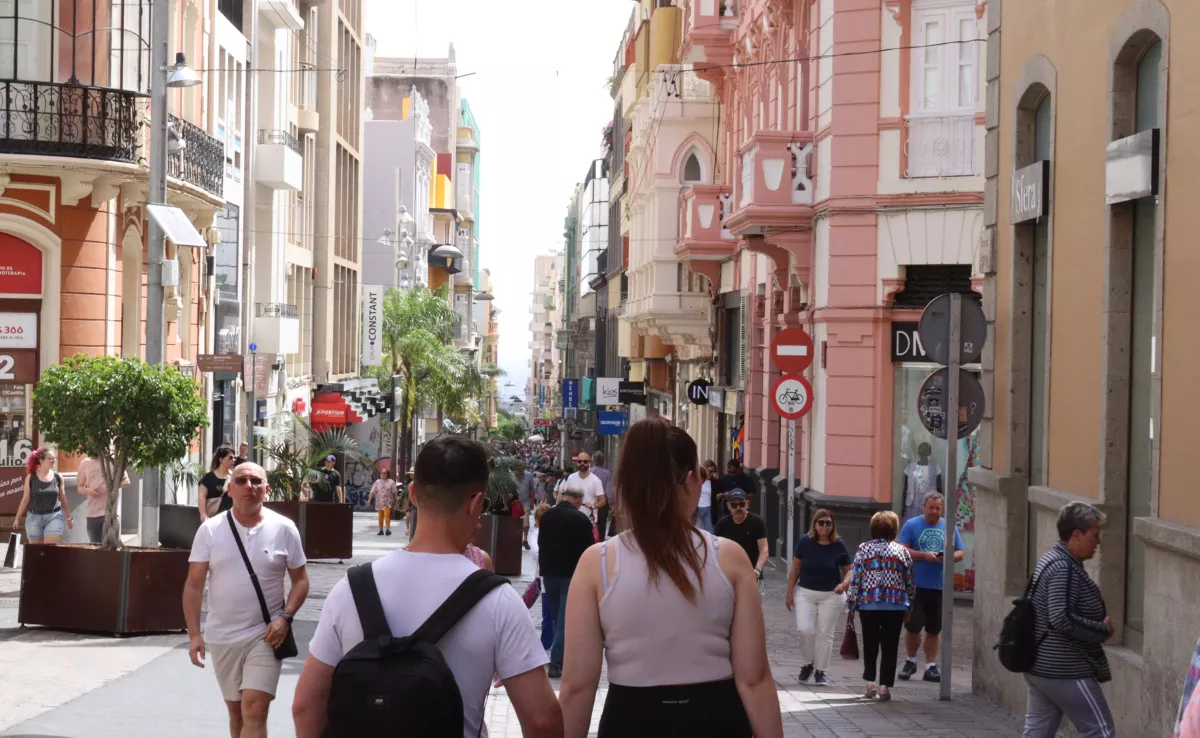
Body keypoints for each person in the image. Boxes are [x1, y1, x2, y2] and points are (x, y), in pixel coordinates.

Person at [292, 436, 561, 738]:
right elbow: (542, 721)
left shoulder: (351, 589)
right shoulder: (498, 601)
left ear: (412, 494)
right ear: (475, 502)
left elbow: (305, 706)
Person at [558, 417, 784, 738]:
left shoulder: (598, 564)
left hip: (630, 721)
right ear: (692, 481)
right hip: (718, 721)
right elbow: (755, 679)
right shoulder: (729, 558)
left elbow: (577, 688)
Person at [183, 462, 310, 738]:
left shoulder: (284, 528)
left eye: (255, 481)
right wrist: (194, 634)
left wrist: (285, 617)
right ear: (230, 489)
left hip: (265, 635)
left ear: (266, 489)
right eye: (241, 481)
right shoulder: (210, 530)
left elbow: (301, 581)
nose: (248, 486)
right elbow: (193, 586)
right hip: (223, 637)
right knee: (237, 714)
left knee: (254, 710)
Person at [1022, 501, 1115, 738]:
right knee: (1101, 731)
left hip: (1042, 667)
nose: (1098, 541)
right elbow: (1061, 619)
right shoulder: (1063, 568)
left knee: (1037, 732)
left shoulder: (1053, 560)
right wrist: (1101, 629)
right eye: (1095, 535)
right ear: (1077, 535)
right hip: (1065, 668)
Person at [844, 511, 915, 702]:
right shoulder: (902, 551)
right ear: (894, 530)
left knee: (870, 644)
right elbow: (909, 580)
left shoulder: (863, 549)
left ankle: (870, 683)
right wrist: (909, 606)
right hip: (896, 605)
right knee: (890, 646)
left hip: (869, 604)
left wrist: (850, 605)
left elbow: (856, 577)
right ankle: (884, 687)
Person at [897, 491, 964, 683]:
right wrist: (924, 556)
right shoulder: (912, 525)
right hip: (915, 585)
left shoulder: (948, 526)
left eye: (938, 508)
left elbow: (960, 552)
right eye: (931, 507)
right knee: (913, 626)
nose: (934, 511)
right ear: (924, 507)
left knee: (934, 629)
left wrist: (947, 556)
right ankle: (910, 661)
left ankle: (930, 666)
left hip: (939, 586)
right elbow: (901, 549)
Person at [784, 509, 852, 685]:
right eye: (821, 522)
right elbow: (795, 568)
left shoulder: (839, 545)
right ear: (814, 524)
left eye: (828, 523)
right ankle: (809, 663)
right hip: (806, 593)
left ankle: (820, 670)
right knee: (804, 630)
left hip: (832, 595)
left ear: (833, 525)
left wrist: (844, 585)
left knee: (825, 634)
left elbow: (850, 569)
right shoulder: (805, 542)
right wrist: (789, 592)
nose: (824, 526)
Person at [538, 486, 595, 679]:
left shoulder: (548, 516)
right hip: (570, 575)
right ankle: (556, 664)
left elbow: (541, 542)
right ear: (578, 500)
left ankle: (559, 657)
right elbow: (590, 549)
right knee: (564, 622)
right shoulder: (581, 519)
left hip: (550, 575)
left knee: (556, 619)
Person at [13, 447, 71, 545]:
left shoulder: (58, 477)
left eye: (54, 458)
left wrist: (69, 517)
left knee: (50, 549)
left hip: (54, 516)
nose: (54, 460)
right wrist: (17, 518)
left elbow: (63, 498)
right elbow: (25, 499)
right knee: (37, 552)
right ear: (41, 460)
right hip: (34, 518)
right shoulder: (31, 478)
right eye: (50, 458)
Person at [713, 489, 769, 582]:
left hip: (751, 573)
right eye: (734, 505)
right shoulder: (721, 525)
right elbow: (715, 550)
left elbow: (764, 549)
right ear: (728, 506)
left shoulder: (757, 522)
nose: (738, 508)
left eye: (741, 504)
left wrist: (758, 569)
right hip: (728, 574)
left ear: (747, 504)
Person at [76, 453, 130, 545]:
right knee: (95, 546)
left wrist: (109, 486)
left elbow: (127, 481)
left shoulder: (113, 461)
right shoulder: (85, 463)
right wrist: (88, 491)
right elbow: (80, 488)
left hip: (110, 511)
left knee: (109, 546)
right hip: (92, 513)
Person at [565, 452, 606, 526]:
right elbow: (565, 496)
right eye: (579, 461)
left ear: (590, 462)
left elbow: (602, 501)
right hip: (571, 518)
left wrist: (593, 506)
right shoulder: (571, 478)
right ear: (576, 463)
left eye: (585, 461)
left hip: (589, 521)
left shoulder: (596, 480)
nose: (582, 463)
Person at [199, 447, 237, 521]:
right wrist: (203, 514)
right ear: (221, 460)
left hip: (230, 519)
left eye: (234, 458)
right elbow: (202, 497)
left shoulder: (234, 477)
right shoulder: (208, 478)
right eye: (230, 457)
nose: (233, 460)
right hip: (213, 518)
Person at [366, 467, 398, 536]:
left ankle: (387, 529)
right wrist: (369, 499)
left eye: (384, 473)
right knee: (380, 516)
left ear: (387, 474)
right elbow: (373, 491)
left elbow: (394, 492)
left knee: (387, 515)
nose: (383, 474)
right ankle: (381, 530)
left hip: (388, 502)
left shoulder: (391, 482)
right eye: (381, 473)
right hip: (379, 503)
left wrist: (396, 500)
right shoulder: (377, 482)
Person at [590, 451, 613, 539]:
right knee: (602, 525)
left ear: (593, 460)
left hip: (590, 502)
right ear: (603, 461)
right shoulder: (607, 473)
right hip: (603, 503)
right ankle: (600, 543)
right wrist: (611, 503)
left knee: (590, 523)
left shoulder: (589, 472)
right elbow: (609, 490)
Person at [694, 460, 717, 534]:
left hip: (709, 508)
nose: (712, 474)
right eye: (710, 471)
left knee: (710, 531)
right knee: (697, 530)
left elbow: (715, 496)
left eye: (713, 472)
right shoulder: (697, 480)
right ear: (705, 469)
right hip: (698, 508)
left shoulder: (714, 482)